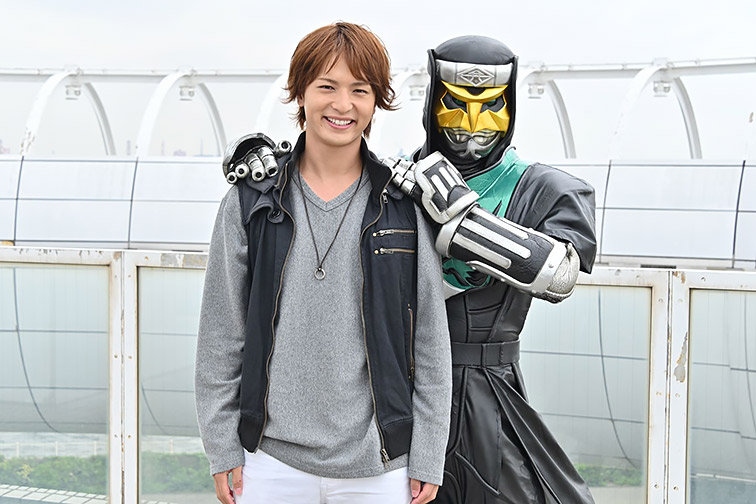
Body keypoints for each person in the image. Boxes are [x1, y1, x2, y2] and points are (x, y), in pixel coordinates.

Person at [195, 22, 452, 504]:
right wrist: (221, 444)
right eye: (327, 87)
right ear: (300, 93)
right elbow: (221, 331)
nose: (343, 104)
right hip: (266, 460)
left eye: (360, 89)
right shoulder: (251, 201)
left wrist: (428, 452)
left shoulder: (402, 204)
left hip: (381, 465)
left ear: (376, 101)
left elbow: (431, 340)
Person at [385, 36, 598, 503]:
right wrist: (261, 160)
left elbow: (560, 275)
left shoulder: (544, 188)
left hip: (487, 392)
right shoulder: (394, 178)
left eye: (491, 105)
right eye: (456, 104)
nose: (472, 124)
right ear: (432, 100)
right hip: (395, 389)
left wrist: (459, 216)